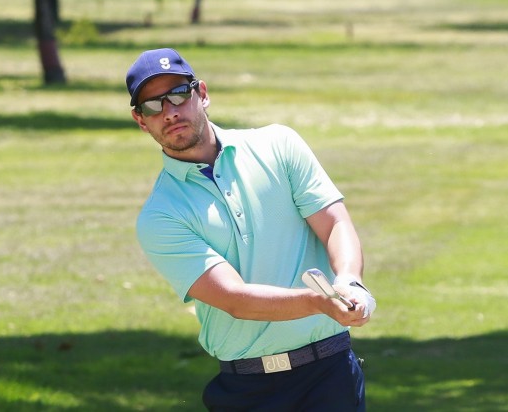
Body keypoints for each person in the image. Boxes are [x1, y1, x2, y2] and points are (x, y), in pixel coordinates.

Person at [125, 48, 377, 411]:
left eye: (179, 94)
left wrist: (350, 281)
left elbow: (334, 222)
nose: (170, 112)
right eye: (153, 105)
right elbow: (235, 298)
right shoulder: (161, 215)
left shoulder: (278, 145)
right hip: (248, 390)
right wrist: (318, 303)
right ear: (140, 119)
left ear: (202, 93)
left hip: (330, 375)